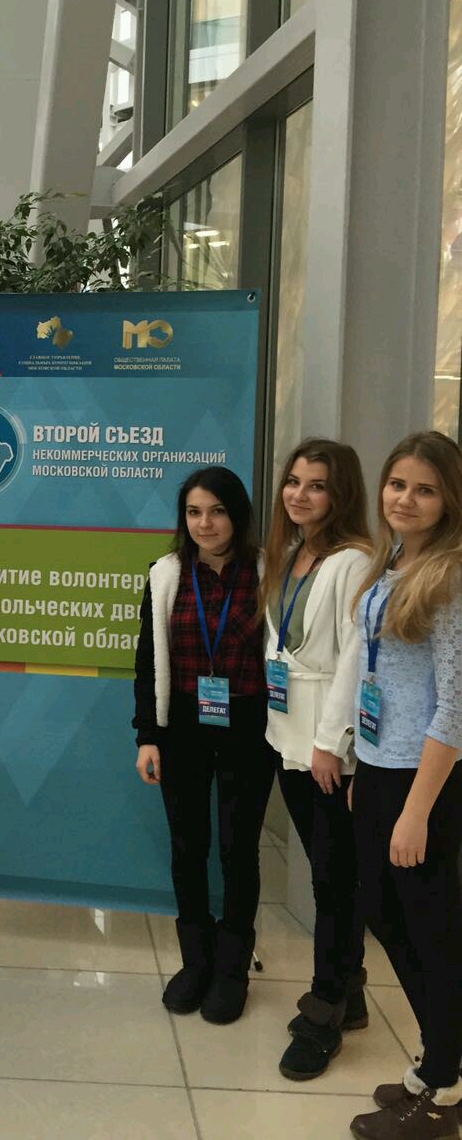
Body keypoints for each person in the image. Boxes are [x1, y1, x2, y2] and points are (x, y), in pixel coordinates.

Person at [334, 432, 462, 1140]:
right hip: (383, 768)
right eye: (397, 484)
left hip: (425, 779)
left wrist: (415, 812)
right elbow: (378, 678)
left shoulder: (450, 576)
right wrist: (362, 765)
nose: (405, 499)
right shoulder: (393, 563)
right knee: (384, 913)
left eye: (425, 489)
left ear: (449, 501)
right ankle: (442, 1056)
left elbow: (456, 706)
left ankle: (444, 1086)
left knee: (429, 930)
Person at [134, 466, 272, 1025]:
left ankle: (232, 969)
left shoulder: (268, 572)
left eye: (216, 511)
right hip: (184, 729)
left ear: (238, 515)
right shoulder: (166, 574)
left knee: (238, 849)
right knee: (187, 846)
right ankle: (196, 961)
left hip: (250, 729)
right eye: (194, 512)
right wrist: (148, 735)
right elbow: (147, 662)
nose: (205, 523)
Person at [259, 439, 373, 1080]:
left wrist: (332, 742)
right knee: (331, 875)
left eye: (317, 485)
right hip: (287, 739)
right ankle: (350, 996)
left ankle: (324, 1010)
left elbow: (356, 659)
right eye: (294, 481)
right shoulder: (291, 553)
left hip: (328, 751)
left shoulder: (354, 561)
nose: (299, 494)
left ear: (341, 494)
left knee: (333, 885)